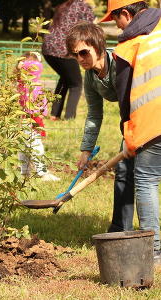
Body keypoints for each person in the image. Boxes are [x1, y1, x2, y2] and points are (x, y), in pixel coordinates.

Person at [100, 0, 161, 262]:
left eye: (116, 20)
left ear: (126, 13)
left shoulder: (128, 47)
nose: (116, 26)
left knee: (146, 182)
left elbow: (125, 97)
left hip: (152, 125)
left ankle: (155, 253)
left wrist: (129, 135)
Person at [65, 22, 135, 233]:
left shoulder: (120, 62)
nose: (80, 59)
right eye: (75, 55)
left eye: (84, 53)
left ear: (98, 46)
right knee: (124, 171)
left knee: (143, 175)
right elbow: (95, 114)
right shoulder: (91, 77)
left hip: (147, 116)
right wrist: (86, 151)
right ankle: (120, 229)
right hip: (131, 122)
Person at [42, 0, 95, 120]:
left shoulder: (64, 5)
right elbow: (90, 26)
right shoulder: (81, 6)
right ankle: (69, 118)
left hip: (48, 47)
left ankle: (54, 115)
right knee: (76, 84)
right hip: (62, 49)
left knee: (66, 78)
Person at [16, 51, 60, 181]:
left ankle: (25, 172)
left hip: (28, 119)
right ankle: (42, 172)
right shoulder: (27, 82)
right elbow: (35, 67)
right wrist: (24, 63)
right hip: (31, 119)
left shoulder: (23, 82)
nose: (39, 66)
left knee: (24, 147)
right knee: (36, 146)